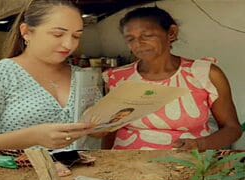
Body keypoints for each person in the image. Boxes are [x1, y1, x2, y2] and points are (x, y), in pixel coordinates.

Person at [0, 0, 97, 175]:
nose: (69, 45)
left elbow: (96, 129)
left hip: (76, 171)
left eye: (76, 36)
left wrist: (103, 126)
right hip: (18, 176)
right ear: (26, 32)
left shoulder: (83, 76)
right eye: (57, 34)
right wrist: (32, 137)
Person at [103, 6, 242, 150]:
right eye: (130, 39)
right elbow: (110, 131)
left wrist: (200, 144)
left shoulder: (204, 74)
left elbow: (232, 128)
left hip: (187, 164)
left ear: (171, 33)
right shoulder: (118, 78)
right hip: (127, 164)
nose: (138, 43)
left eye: (148, 35)